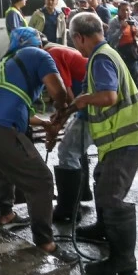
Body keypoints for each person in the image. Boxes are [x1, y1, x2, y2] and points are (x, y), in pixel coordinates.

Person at [53, 12, 138, 275]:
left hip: (129, 138)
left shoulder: (100, 58)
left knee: (111, 194)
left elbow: (109, 96)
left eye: (75, 40)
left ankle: (123, 260)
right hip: (121, 138)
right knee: (101, 179)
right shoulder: (106, 52)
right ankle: (103, 227)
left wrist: (85, 99)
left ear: (79, 37)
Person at [0, 28, 76, 264]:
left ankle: (7, 214)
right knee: (41, 181)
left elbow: (7, 102)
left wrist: (43, 122)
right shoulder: (39, 55)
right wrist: (62, 108)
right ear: (38, 42)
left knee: (5, 167)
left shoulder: (3, 66)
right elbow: (58, 92)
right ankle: (45, 243)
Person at [44, 39, 92, 225]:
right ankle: (82, 194)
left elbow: (66, 93)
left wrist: (58, 124)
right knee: (78, 147)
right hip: (88, 98)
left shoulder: (51, 55)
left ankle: (68, 210)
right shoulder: (57, 49)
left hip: (89, 101)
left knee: (68, 151)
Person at [105, 2, 138, 90]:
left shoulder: (133, 21)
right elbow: (111, 39)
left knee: (134, 75)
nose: (125, 12)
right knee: (121, 76)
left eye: (127, 10)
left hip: (132, 52)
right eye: (123, 10)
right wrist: (121, 29)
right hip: (119, 52)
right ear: (118, 11)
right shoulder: (114, 22)